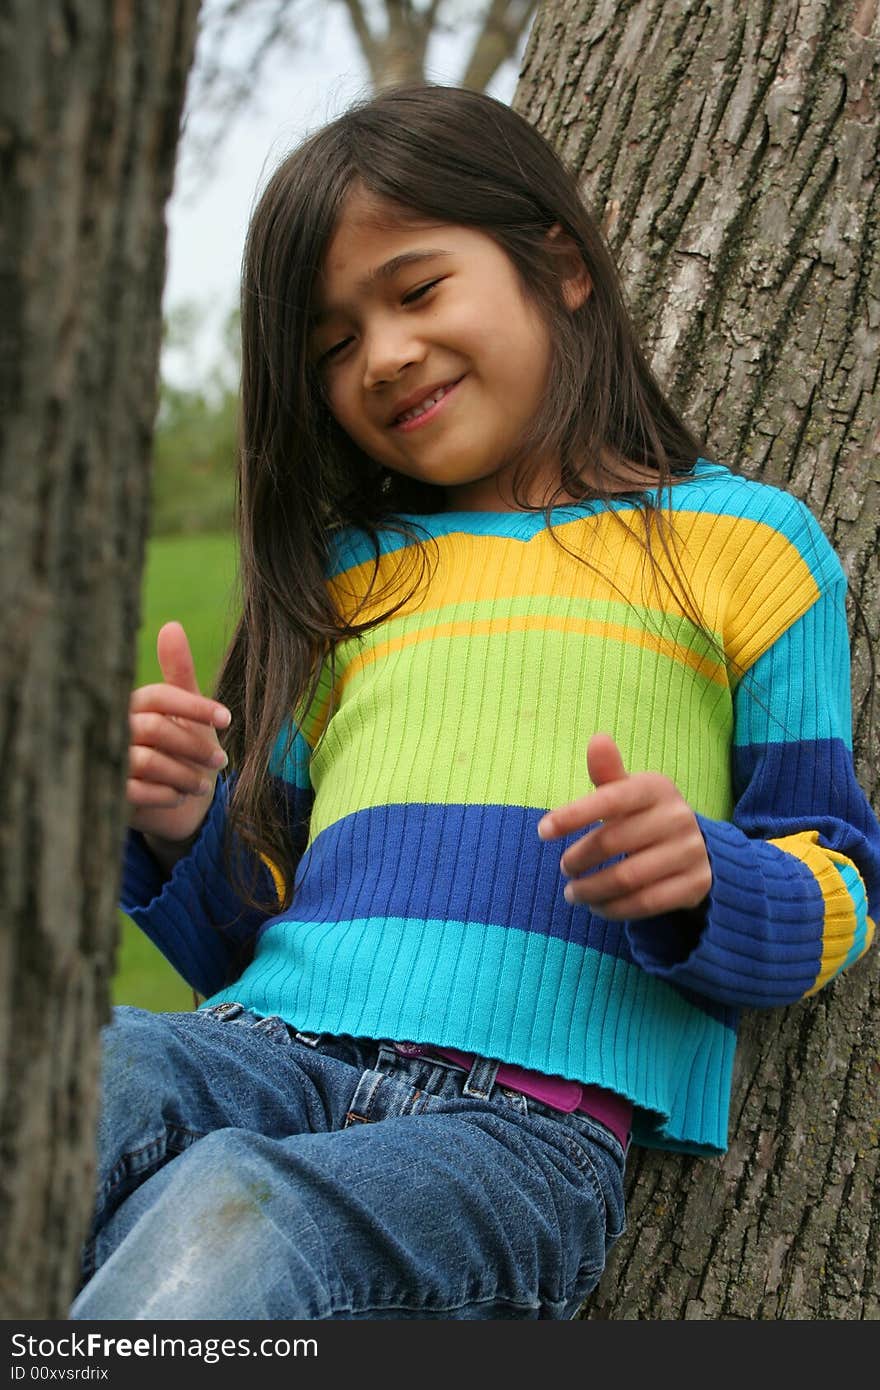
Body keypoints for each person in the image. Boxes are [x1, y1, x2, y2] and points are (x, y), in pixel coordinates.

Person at [71, 84, 879, 1321]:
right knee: (79, 1077)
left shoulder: (749, 548)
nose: (382, 356)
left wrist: (708, 878)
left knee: (231, 1216)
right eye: (331, 345)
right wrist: (183, 825)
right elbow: (249, 927)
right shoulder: (345, 581)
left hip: (513, 1132)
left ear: (558, 264)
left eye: (416, 290)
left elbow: (839, 874)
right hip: (267, 1048)